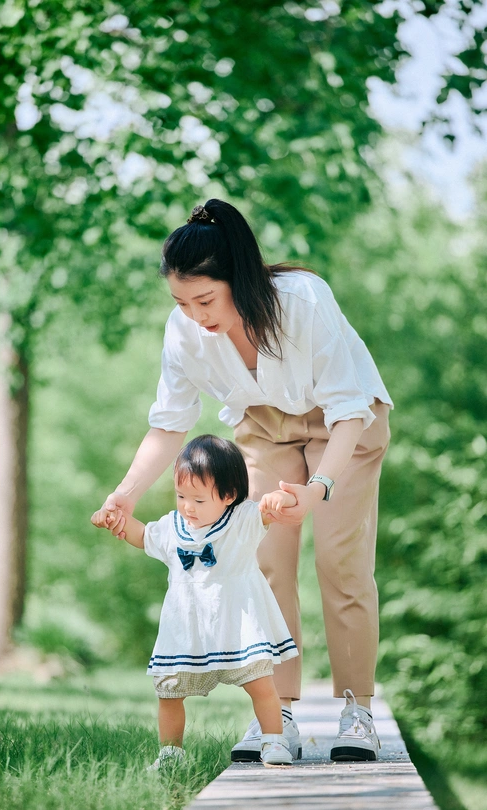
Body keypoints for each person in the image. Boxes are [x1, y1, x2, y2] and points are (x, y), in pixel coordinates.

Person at [92, 199, 393, 763]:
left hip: (343, 426)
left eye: (205, 298)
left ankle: (357, 710)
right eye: (181, 301)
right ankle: (276, 715)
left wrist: (319, 488)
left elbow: (349, 410)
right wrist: (125, 493)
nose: (195, 313)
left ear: (239, 278)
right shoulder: (185, 331)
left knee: (340, 561)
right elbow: (168, 423)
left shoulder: (303, 301)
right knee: (262, 563)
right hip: (263, 428)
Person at [92, 434, 300, 768]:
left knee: (261, 686)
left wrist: (278, 499)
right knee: (169, 692)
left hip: (237, 623)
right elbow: (143, 535)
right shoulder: (173, 527)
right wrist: (116, 520)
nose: (187, 506)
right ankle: (170, 753)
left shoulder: (243, 520)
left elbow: (269, 511)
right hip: (187, 628)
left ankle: (274, 741)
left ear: (229, 495)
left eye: (199, 500)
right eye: (181, 496)